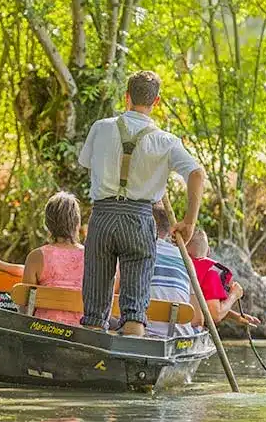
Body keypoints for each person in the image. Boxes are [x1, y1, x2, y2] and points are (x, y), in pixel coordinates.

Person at [78, 70, 205, 336]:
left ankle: (89, 362)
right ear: (156, 101)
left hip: (102, 216)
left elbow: (88, 165)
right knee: (134, 311)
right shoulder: (166, 141)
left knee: (94, 311)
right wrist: (189, 222)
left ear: (127, 97)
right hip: (138, 219)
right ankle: (130, 366)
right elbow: (196, 174)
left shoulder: (100, 128)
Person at [23, 192, 85, 326]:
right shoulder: (91, 257)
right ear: (77, 222)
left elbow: (25, 306)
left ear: (48, 223)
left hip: (42, 329)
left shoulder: (36, 256)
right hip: (81, 330)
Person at [147, 204, 204, 337]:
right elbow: (198, 319)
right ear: (168, 230)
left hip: (142, 334)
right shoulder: (185, 258)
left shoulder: (134, 252)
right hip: (178, 337)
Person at [187, 229, 261, 328]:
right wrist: (234, 295)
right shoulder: (210, 273)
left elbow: (206, 306)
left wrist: (236, 317)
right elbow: (215, 315)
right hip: (189, 329)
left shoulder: (176, 267)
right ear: (208, 251)